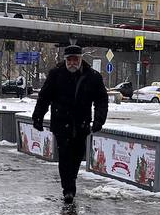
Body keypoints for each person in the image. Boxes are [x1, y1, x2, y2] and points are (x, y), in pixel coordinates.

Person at [33, 45, 108, 205]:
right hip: (61, 123)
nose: (72, 62)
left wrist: (99, 120)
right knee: (65, 156)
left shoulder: (92, 76)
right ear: (65, 60)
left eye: (76, 59)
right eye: (69, 59)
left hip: (82, 124)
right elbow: (44, 97)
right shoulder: (56, 74)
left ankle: (71, 180)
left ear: (81, 59)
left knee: (76, 157)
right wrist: (38, 117)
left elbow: (101, 99)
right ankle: (68, 189)